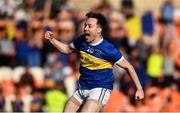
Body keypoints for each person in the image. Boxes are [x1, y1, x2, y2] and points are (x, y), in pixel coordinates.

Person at [44, 12, 144, 112]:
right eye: (85, 25)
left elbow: (128, 67)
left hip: (99, 89)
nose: (85, 28)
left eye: (89, 26)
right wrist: (52, 40)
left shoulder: (109, 49)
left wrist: (139, 89)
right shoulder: (81, 40)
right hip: (82, 88)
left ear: (99, 30)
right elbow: (66, 49)